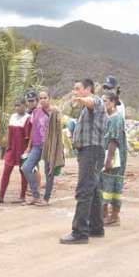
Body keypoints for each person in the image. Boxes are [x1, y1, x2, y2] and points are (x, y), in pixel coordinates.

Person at [60, 78, 108, 245]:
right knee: (93, 190)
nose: (75, 91)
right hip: (88, 151)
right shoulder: (85, 110)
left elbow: (92, 101)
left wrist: (81, 99)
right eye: (74, 89)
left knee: (84, 190)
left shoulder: (97, 102)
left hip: (92, 151)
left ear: (87, 89)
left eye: (78, 88)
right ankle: (96, 227)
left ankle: (80, 232)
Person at [0, 98, 31, 205]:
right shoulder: (13, 117)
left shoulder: (28, 118)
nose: (17, 108)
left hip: (22, 149)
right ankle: (1, 196)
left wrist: (27, 151)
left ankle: (22, 196)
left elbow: (28, 137)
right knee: (6, 172)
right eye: (16, 105)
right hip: (11, 149)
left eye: (19, 105)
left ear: (25, 105)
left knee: (23, 173)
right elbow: (9, 134)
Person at [101, 91, 127, 226]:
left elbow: (113, 140)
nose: (103, 104)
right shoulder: (108, 117)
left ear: (112, 102)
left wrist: (109, 160)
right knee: (105, 184)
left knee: (113, 184)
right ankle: (104, 213)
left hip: (114, 157)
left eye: (105, 101)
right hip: (107, 155)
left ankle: (114, 215)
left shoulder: (116, 118)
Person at [21, 89, 52, 206]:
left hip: (49, 146)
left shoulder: (53, 112)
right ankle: (36, 196)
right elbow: (33, 129)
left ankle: (46, 198)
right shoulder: (36, 112)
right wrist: (29, 146)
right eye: (41, 98)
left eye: (45, 98)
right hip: (37, 145)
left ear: (49, 99)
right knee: (26, 167)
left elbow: (57, 132)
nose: (43, 100)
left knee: (48, 172)